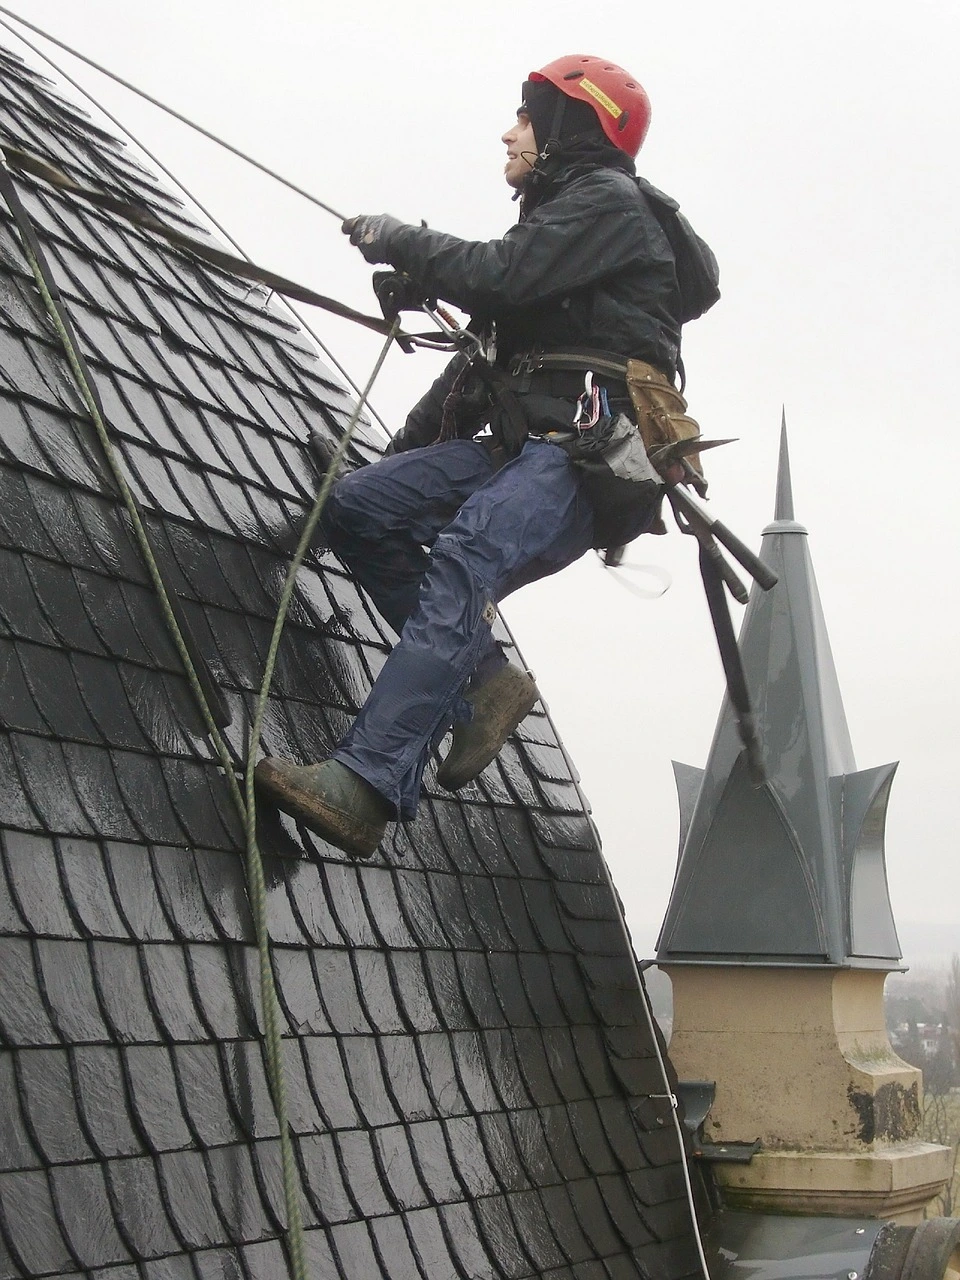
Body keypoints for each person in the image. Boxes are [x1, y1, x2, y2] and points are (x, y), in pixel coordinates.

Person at [256, 55, 715, 858]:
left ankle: (364, 786)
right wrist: (377, 474)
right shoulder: (563, 233)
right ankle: (484, 681)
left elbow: (497, 277)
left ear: (573, 126)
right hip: (524, 451)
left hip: (584, 455)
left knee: (468, 552)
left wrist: (404, 240)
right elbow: (473, 368)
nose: (510, 132)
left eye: (528, 118)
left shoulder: (609, 206)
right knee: (360, 509)